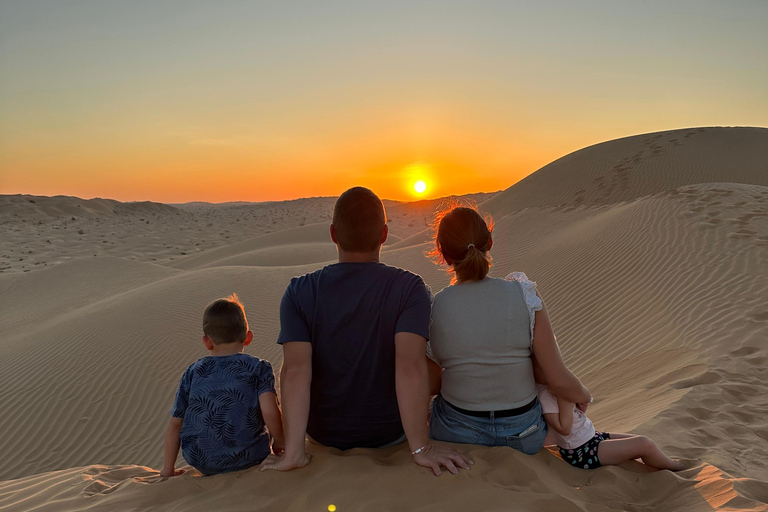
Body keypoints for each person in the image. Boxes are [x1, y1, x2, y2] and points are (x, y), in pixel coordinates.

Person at [260, 187, 472, 476]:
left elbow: (295, 371)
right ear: (384, 234)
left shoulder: (299, 292)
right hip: (390, 434)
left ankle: (295, 451)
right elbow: (410, 365)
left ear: (333, 234)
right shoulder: (409, 289)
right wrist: (421, 449)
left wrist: (295, 451)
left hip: (323, 434)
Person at [427, 204, 592, 454]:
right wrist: (584, 395)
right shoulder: (522, 293)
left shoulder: (437, 305)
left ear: (444, 255)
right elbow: (558, 379)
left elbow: (430, 381)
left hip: (457, 433)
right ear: (490, 243)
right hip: (525, 435)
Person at [160, 294, 284, 477]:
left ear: (207, 341)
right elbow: (269, 411)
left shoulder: (193, 372)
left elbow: (175, 425)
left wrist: (167, 469)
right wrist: (281, 444)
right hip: (248, 456)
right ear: (248, 337)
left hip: (200, 460)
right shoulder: (258, 367)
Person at [537, 383, 684, 470]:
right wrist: (563, 397)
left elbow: (578, 411)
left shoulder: (557, 386)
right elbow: (564, 429)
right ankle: (676, 468)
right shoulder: (546, 395)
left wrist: (580, 403)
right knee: (645, 444)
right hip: (581, 453)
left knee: (645, 443)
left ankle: (667, 466)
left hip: (593, 437)